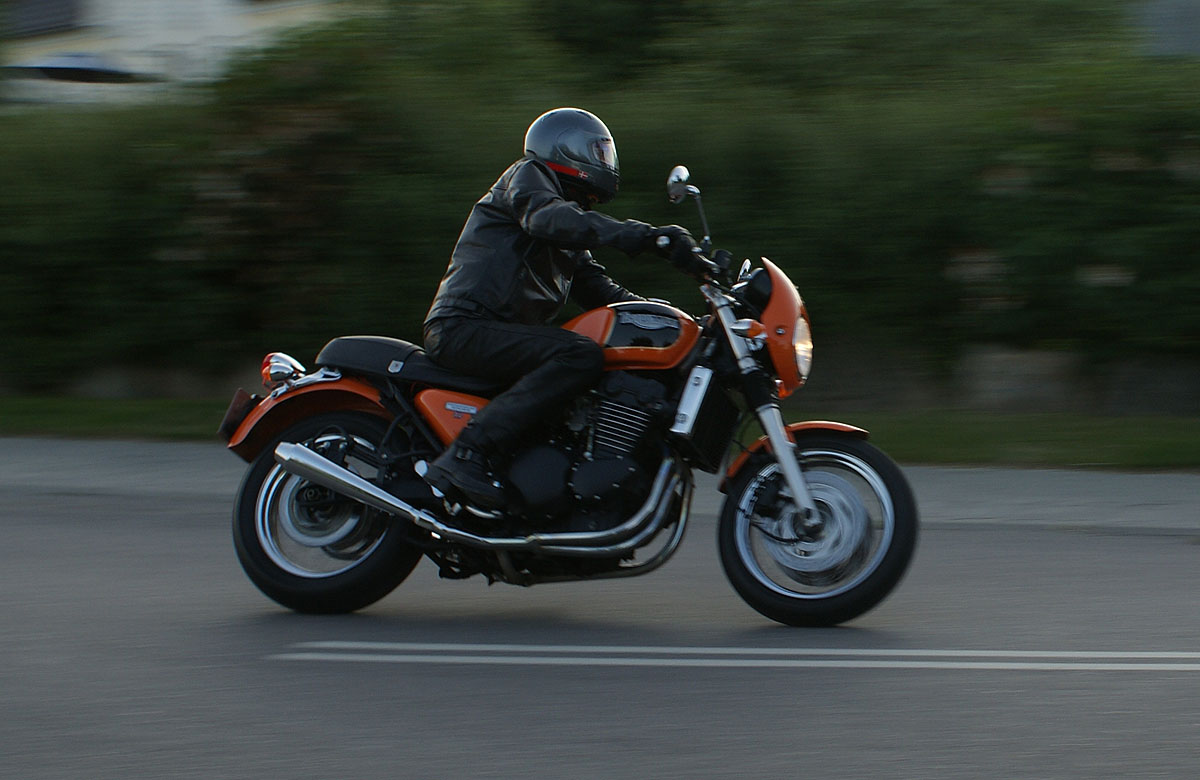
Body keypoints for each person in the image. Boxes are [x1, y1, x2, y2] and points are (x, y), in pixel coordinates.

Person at [421, 107, 711, 509]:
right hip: (465, 325)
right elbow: (548, 218)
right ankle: (465, 456)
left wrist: (677, 321)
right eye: (597, 151)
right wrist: (648, 237)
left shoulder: (567, 223)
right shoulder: (529, 180)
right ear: (565, 148)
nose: (605, 161)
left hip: (499, 333)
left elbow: (600, 292)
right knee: (579, 354)